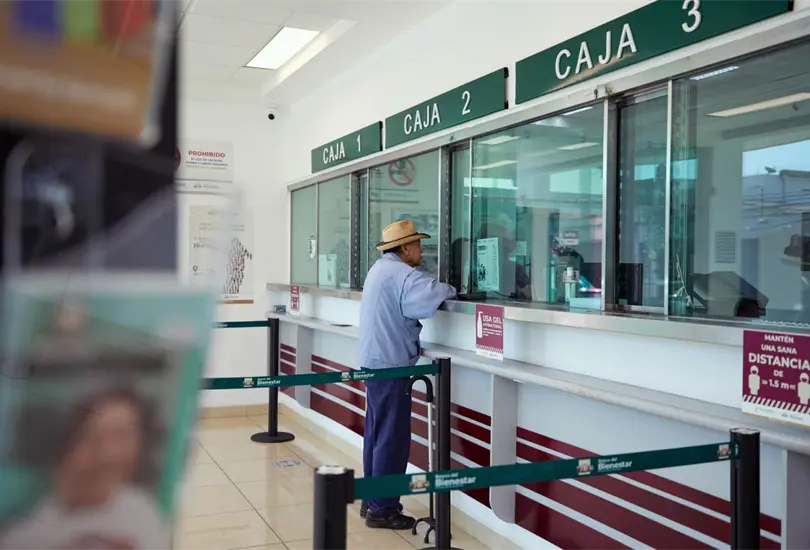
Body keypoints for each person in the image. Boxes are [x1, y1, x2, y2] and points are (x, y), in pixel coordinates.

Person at [357, 220, 457, 530]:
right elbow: (435, 294)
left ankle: (372, 499)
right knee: (391, 437)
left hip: (374, 361)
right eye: (416, 244)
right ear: (404, 248)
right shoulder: (404, 275)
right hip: (390, 365)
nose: (420, 250)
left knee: (376, 432)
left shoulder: (379, 270)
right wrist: (453, 287)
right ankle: (383, 509)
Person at [0, 387, 166, 550]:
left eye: (122, 436)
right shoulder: (28, 529)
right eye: (92, 439)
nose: (108, 454)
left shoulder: (139, 518)